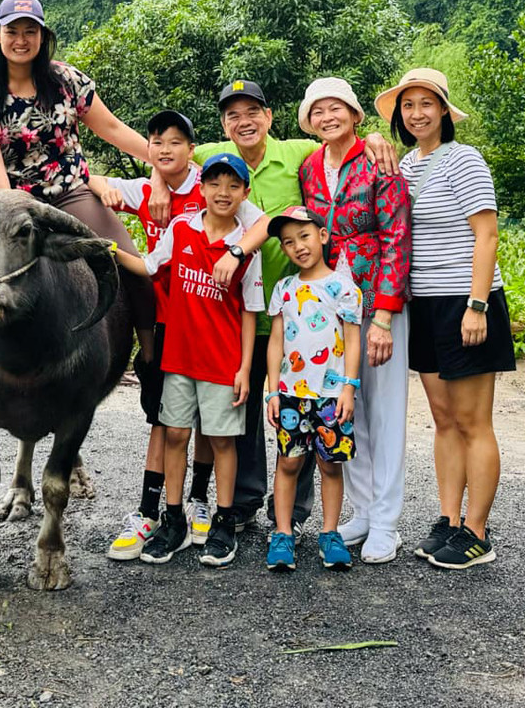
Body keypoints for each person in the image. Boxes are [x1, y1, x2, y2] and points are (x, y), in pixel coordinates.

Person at [172, 80, 395, 536]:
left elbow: (340, 141)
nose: (244, 122)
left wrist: (373, 137)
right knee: (246, 407)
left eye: (252, 112)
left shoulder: (297, 153)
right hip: (236, 314)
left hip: (301, 314)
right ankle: (247, 501)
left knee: (306, 401)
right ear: (223, 125)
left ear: (269, 117)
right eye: (233, 115)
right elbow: (165, 155)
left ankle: (292, 511)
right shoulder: (212, 155)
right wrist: (159, 179)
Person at [378, 67, 514, 571]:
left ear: (443, 111)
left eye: (426, 104)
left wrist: (477, 305)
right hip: (425, 303)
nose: (416, 114)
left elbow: (487, 235)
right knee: (443, 419)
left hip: (465, 301)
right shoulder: (407, 165)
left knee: (474, 421)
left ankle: (477, 532)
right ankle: (449, 519)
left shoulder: (464, 160)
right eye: (408, 105)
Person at [0, 0, 155, 332]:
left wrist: (162, 161)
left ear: (43, 36)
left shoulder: (66, 80)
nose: (21, 40)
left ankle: (150, 351)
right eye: (12, 32)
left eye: (30, 32)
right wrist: (13, 214)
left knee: (131, 266)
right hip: (17, 202)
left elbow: (111, 128)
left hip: (71, 192)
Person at [110, 153, 267, 568]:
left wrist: (245, 369)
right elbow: (148, 265)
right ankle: (174, 518)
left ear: (245, 193)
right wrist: (108, 248)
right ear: (202, 188)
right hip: (178, 358)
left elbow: (251, 312)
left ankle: (224, 522)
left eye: (233, 185)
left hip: (222, 361)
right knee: (176, 435)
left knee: (222, 441)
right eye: (214, 183)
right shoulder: (181, 228)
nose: (223, 192)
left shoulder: (246, 249)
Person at [295, 75, 410, 564]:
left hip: (376, 303)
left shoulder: (378, 161)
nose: (327, 117)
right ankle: (362, 511)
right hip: (331, 309)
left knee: (385, 413)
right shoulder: (309, 167)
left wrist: (383, 316)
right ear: (309, 121)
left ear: (355, 115)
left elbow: (397, 237)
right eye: (318, 111)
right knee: (348, 408)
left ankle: (386, 522)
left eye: (336, 108)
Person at [100, 109, 208, 560]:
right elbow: (88, 181)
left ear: (192, 149)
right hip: (165, 321)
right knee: (163, 419)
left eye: (176, 142)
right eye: (157, 142)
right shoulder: (144, 190)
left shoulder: (212, 187)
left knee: (209, 417)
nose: (165, 150)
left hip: (210, 319)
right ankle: (149, 511)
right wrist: (112, 186)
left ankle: (199, 500)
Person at [261, 207, 362, 573]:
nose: (298, 247)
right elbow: (275, 341)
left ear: (322, 236)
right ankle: (283, 533)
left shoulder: (344, 288)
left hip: (331, 395)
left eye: (304, 236)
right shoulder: (284, 289)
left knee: (329, 464)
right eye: (289, 242)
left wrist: (349, 387)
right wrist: (272, 391)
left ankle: (330, 534)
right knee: (288, 462)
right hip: (291, 393)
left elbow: (353, 340)